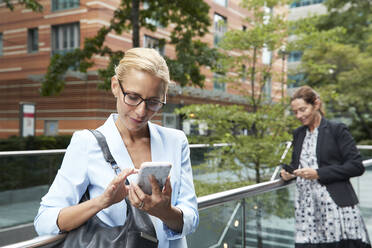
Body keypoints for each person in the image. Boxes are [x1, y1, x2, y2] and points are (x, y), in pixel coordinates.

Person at [34, 48, 199, 247]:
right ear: (115, 86)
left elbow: (191, 219)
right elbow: (44, 221)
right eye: (132, 97)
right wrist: (102, 202)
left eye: (153, 102)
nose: (141, 111)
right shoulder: (86, 143)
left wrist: (165, 212)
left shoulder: (176, 141)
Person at [281, 85, 371, 248]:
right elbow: (297, 165)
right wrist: (288, 174)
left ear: (316, 104)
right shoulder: (298, 134)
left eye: (303, 109)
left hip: (335, 210)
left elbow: (356, 166)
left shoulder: (337, 130)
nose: (299, 115)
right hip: (306, 212)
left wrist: (318, 173)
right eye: (295, 112)